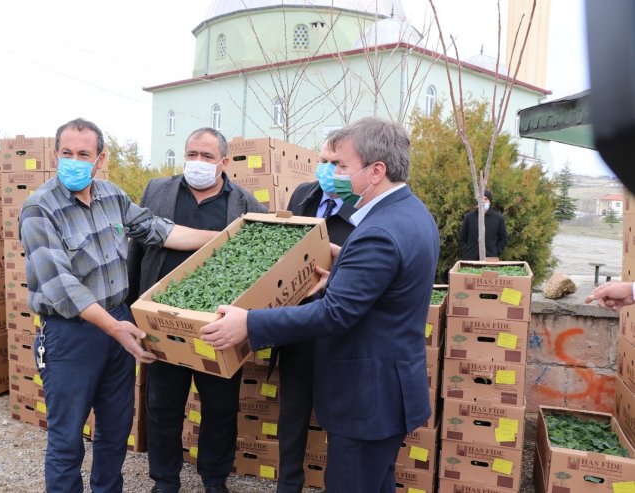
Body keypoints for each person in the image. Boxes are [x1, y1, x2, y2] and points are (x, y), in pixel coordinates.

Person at [200, 117, 440, 493]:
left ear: (376, 171)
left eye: (341, 165)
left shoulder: (377, 231)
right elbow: (388, 284)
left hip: (368, 399)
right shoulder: (412, 213)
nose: (333, 173)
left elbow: (335, 314)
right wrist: (343, 269)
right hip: (390, 391)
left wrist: (251, 324)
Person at [20, 118, 217, 493]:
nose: (74, 161)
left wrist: (221, 236)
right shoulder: (39, 209)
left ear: (100, 159)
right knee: (66, 439)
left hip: (118, 323)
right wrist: (113, 328)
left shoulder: (111, 195)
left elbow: (159, 229)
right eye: (67, 153)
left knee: (115, 430)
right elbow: (61, 286)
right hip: (71, 334)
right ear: (55, 154)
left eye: (83, 154)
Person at [125, 128, 266, 493]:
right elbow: (136, 250)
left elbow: (262, 267)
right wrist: (132, 307)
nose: (197, 163)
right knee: (163, 407)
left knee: (219, 408)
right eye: (191, 154)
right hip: (162, 321)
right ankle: (165, 480)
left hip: (218, 327)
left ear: (223, 162)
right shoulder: (157, 191)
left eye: (206, 156)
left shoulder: (246, 205)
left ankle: (214, 480)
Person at [270, 140, 356, 493]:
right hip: (297, 323)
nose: (326, 169)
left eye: (335, 163)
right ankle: (287, 485)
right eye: (321, 160)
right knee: (292, 413)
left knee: (339, 418)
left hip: (338, 328)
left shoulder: (363, 205)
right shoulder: (304, 194)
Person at [459, 189, 509, 260]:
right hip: (470, 258)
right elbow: (462, 238)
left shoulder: (498, 218)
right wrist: (466, 250)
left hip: (490, 258)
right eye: (481, 198)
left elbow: (503, 239)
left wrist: (496, 251)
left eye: (486, 199)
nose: (483, 201)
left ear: (490, 201)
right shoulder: (469, 217)